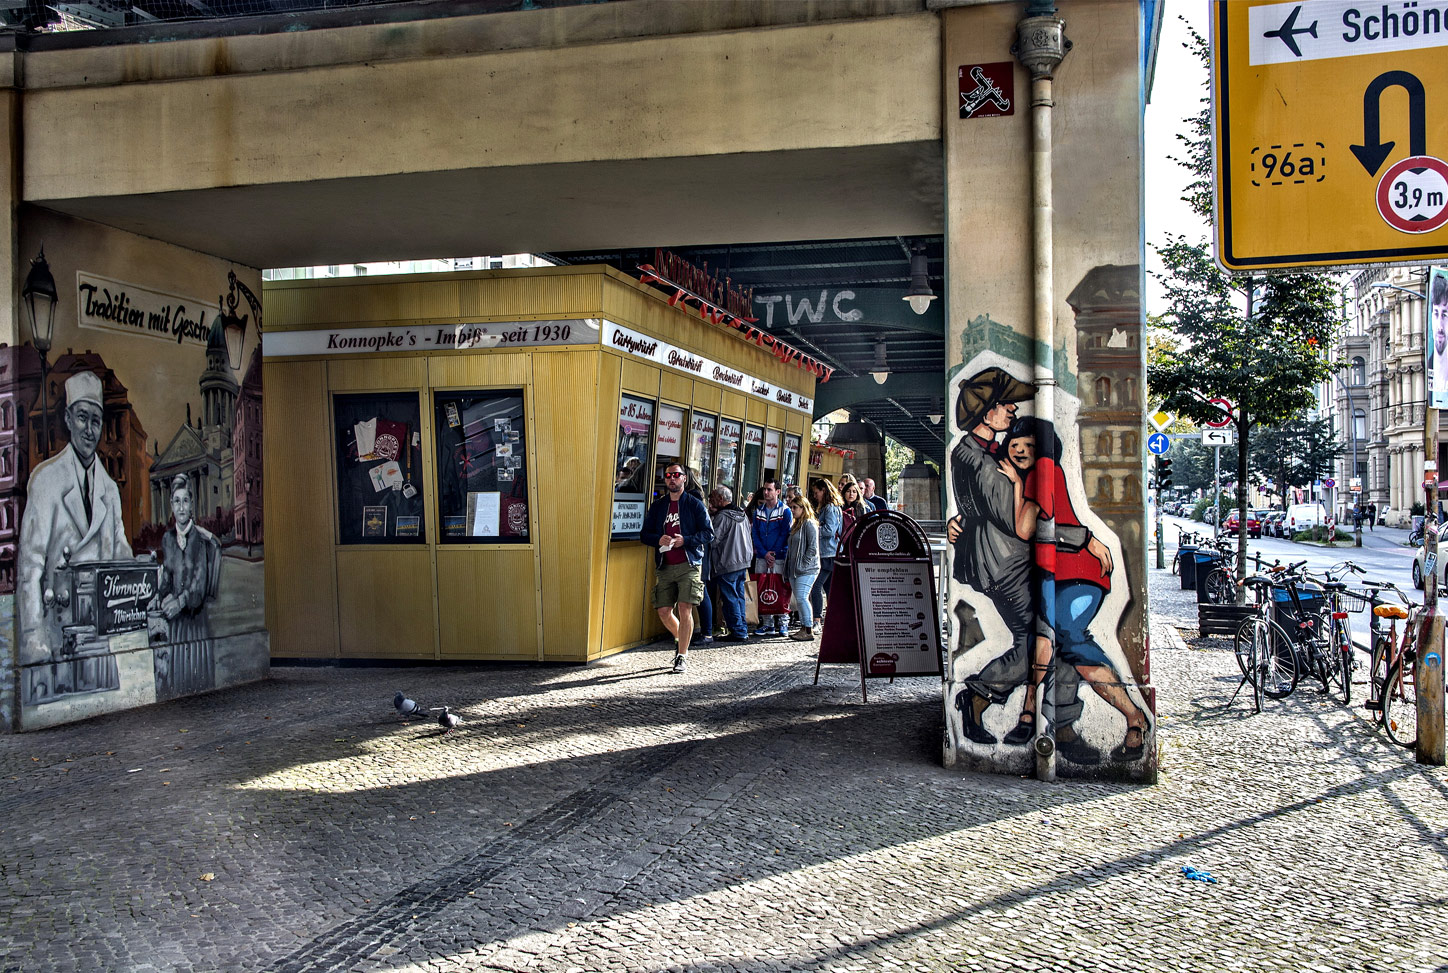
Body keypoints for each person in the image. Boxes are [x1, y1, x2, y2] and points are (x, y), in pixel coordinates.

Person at [946, 367, 1090, 760]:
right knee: (1037, 640)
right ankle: (978, 694)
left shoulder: (972, 451)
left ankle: (1051, 719)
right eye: (1004, 404)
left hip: (993, 560)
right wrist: (1082, 539)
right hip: (1003, 563)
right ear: (986, 413)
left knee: (1043, 638)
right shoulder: (985, 463)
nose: (1011, 409)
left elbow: (972, 510)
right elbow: (1018, 523)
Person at [995, 417, 1149, 762]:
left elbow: (1031, 528)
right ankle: (1030, 713)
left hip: (1080, 571)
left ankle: (1133, 716)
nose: (1020, 450)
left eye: (1029, 446)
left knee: (1066, 634)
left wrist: (1087, 540)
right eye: (1016, 444)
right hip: (1055, 573)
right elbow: (1026, 529)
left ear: (1044, 451)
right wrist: (1018, 486)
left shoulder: (1045, 469)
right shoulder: (1032, 476)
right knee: (1046, 640)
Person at [18, 371, 134, 664]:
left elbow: (121, 555)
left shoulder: (109, 489)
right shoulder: (45, 481)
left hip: (100, 638)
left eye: (96, 421)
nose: (89, 430)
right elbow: (30, 568)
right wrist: (34, 641)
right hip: (57, 639)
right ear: (68, 419)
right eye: (82, 418)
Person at [639, 462, 713, 673]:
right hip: (665, 564)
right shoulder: (659, 506)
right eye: (669, 475)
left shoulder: (694, 504)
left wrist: (686, 540)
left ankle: (682, 655)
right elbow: (644, 535)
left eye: (676, 475)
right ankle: (682, 638)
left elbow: (708, 533)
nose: (672, 478)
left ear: (684, 479)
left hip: (689, 563)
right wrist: (657, 539)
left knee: (684, 608)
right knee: (663, 610)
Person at [151, 474, 220, 643]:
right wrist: (158, 596)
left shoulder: (200, 540)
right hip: (175, 623)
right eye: (176, 501)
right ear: (172, 506)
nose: (181, 507)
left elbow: (199, 586)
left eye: (185, 501)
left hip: (195, 622)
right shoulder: (167, 539)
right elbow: (167, 576)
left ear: (191, 505)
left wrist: (179, 602)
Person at [709, 486, 752, 643]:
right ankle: (742, 628)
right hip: (742, 561)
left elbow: (713, 540)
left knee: (730, 598)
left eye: (712, 497)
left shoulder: (723, 516)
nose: (710, 500)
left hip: (727, 562)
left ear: (721, 499)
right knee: (738, 596)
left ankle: (738, 631)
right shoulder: (742, 513)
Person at [750, 478, 793, 637]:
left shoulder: (785, 511)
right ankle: (767, 623)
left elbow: (785, 534)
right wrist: (764, 553)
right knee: (763, 587)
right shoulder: (758, 511)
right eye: (765, 490)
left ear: (777, 491)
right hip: (763, 556)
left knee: (780, 588)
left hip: (779, 557)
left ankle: (783, 623)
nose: (766, 492)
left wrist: (773, 553)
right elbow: (754, 534)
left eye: (769, 489)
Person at [807, 477, 844, 624]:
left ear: (824, 491)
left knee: (816, 586)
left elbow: (829, 530)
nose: (815, 496)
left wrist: (814, 529)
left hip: (828, 553)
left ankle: (817, 618)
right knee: (828, 588)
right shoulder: (833, 507)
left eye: (816, 492)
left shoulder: (829, 508)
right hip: (831, 552)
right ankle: (832, 617)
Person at [785, 494, 821, 640]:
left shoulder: (809, 523)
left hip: (807, 569)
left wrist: (803, 564)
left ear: (803, 508)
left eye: (795, 507)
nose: (792, 510)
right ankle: (803, 627)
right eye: (791, 507)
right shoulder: (796, 524)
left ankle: (808, 629)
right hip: (795, 569)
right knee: (800, 599)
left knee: (801, 597)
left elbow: (812, 548)